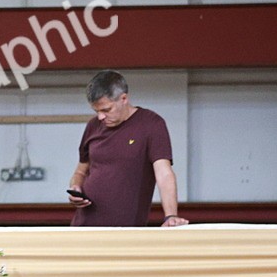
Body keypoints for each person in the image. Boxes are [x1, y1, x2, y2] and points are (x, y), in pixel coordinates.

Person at [68, 70, 188, 227]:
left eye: (106, 110)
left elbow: (164, 173)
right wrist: (75, 187)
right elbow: (80, 171)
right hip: (83, 225)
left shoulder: (151, 124)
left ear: (124, 98)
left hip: (126, 228)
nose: (100, 117)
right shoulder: (93, 126)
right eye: (96, 111)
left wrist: (170, 215)